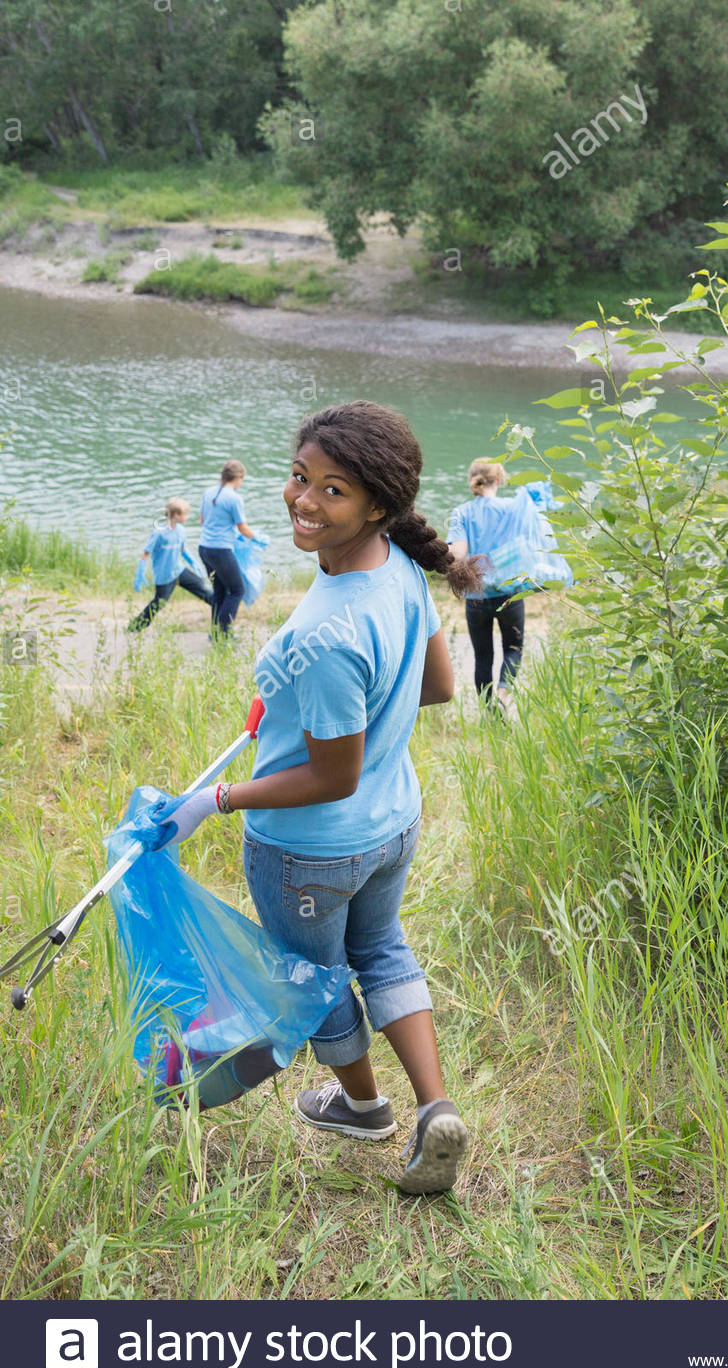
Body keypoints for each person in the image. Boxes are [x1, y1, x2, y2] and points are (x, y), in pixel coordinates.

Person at [144, 401, 482, 1195]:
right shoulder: (396, 568)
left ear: (376, 506)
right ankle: (437, 1111)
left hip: (309, 848)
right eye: (301, 477)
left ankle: (362, 1107)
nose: (303, 500)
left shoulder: (330, 631)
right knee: (384, 949)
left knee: (318, 976)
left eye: (333, 490)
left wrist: (216, 800)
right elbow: (436, 687)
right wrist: (299, 710)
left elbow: (333, 775)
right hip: (391, 825)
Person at [446, 457, 529, 712]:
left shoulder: (462, 512)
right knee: (513, 649)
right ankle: (504, 696)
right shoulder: (514, 509)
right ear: (499, 480)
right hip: (510, 593)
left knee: (483, 656)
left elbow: (458, 554)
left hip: (476, 595)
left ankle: (489, 713)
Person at [128, 497, 213, 632]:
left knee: (207, 593)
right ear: (175, 515)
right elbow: (146, 553)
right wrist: (140, 573)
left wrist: (194, 563)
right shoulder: (159, 533)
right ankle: (134, 627)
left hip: (179, 571)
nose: (187, 517)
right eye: (185, 514)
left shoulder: (180, 530)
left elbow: (183, 549)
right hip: (164, 575)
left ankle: (221, 623)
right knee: (158, 603)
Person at [199, 460, 256, 637]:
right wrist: (258, 538)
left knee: (220, 591)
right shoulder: (234, 498)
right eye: (242, 480)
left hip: (204, 548)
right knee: (238, 590)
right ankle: (223, 634)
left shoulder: (208, 492)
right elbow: (242, 528)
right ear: (238, 478)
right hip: (221, 550)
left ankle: (214, 633)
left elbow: (202, 521)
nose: (241, 483)